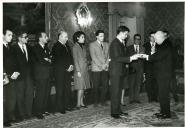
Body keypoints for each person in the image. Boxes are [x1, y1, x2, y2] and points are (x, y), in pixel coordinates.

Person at [109, 26, 139, 119]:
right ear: (120, 33)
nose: (126, 36)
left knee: (118, 92)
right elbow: (117, 58)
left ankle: (118, 110)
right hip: (115, 72)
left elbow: (122, 56)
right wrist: (130, 58)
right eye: (125, 34)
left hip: (120, 71)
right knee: (115, 92)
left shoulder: (120, 43)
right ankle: (114, 113)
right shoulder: (115, 43)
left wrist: (130, 57)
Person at [141, 31, 173, 119]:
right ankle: (163, 112)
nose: (155, 40)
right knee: (162, 94)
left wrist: (147, 57)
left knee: (164, 94)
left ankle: (166, 113)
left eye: (156, 39)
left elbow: (158, 56)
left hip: (164, 74)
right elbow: (158, 56)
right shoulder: (163, 44)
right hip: (162, 74)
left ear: (160, 37)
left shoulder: (166, 45)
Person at [12, 30, 34, 121]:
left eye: (27, 37)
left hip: (29, 75)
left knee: (29, 94)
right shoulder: (13, 48)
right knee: (20, 95)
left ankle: (28, 113)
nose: (27, 39)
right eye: (25, 37)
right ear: (19, 38)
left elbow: (31, 62)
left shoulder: (29, 47)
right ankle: (21, 114)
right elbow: (13, 62)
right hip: (20, 75)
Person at [51, 31, 74, 114]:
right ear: (60, 37)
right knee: (60, 90)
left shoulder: (66, 45)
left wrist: (71, 65)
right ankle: (60, 107)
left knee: (67, 89)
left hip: (67, 71)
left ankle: (66, 105)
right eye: (65, 37)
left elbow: (70, 57)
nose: (67, 38)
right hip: (60, 72)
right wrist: (66, 67)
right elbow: (58, 60)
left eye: (67, 37)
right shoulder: (56, 46)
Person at [32, 32, 52, 119]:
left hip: (47, 74)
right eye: (45, 36)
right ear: (40, 38)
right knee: (40, 93)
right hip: (40, 75)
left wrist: (47, 59)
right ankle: (38, 112)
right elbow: (40, 60)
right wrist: (47, 59)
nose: (47, 38)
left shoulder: (46, 48)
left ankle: (43, 110)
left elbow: (51, 58)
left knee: (46, 92)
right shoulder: (35, 48)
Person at [3, 29, 19, 126]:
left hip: (13, 76)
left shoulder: (10, 47)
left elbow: (15, 61)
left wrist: (16, 72)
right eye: (9, 35)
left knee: (11, 98)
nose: (11, 37)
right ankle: (4, 120)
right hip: (5, 77)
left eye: (12, 35)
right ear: (2, 35)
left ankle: (9, 117)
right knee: (4, 99)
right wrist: (8, 74)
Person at [89, 30, 109, 107]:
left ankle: (103, 101)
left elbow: (108, 56)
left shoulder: (107, 44)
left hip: (105, 68)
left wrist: (106, 64)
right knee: (96, 86)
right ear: (96, 36)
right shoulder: (92, 45)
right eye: (101, 36)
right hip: (96, 68)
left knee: (105, 86)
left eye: (103, 36)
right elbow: (93, 57)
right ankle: (95, 102)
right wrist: (101, 65)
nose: (102, 37)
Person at [72, 31, 91, 109]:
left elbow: (85, 58)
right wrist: (78, 71)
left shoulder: (83, 47)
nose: (84, 39)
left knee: (83, 87)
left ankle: (82, 103)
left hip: (85, 69)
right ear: (77, 38)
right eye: (82, 37)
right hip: (79, 70)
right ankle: (78, 104)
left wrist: (88, 63)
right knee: (80, 88)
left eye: (84, 37)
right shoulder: (75, 47)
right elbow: (75, 60)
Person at [127, 34, 145, 104]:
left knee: (138, 84)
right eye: (136, 39)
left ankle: (137, 98)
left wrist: (142, 56)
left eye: (139, 39)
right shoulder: (129, 48)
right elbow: (128, 58)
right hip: (132, 69)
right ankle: (131, 99)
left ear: (140, 40)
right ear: (134, 40)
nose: (137, 40)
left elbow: (144, 59)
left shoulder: (143, 48)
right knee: (131, 85)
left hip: (140, 69)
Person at [143, 32, 158, 102]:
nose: (153, 38)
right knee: (148, 83)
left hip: (157, 68)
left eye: (154, 36)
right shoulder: (145, 45)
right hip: (148, 67)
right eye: (152, 36)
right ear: (149, 37)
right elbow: (144, 57)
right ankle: (150, 98)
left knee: (156, 83)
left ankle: (155, 97)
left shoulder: (159, 45)